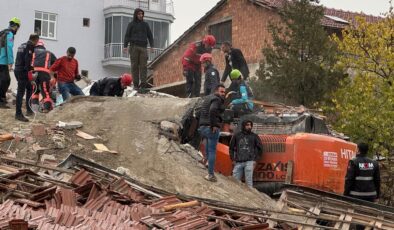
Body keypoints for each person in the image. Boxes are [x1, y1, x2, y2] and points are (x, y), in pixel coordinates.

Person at [198, 84, 226, 182]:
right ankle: (210, 175)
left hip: (202, 127)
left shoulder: (207, 98)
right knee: (212, 150)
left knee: (207, 146)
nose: (223, 94)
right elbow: (213, 110)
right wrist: (214, 124)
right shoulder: (217, 99)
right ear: (216, 91)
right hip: (211, 127)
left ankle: (206, 161)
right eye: (221, 91)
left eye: (224, 92)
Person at [123, 8, 154, 92]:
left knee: (143, 66)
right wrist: (125, 46)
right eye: (139, 14)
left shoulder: (145, 25)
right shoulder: (131, 24)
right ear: (136, 15)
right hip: (133, 47)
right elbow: (127, 35)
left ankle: (143, 85)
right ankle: (136, 85)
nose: (141, 15)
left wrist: (152, 46)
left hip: (143, 48)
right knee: (134, 66)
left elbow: (150, 36)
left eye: (142, 14)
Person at [229, 120, 263, 187]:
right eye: (247, 125)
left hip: (249, 162)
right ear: (243, 126)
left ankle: (250, 197)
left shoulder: (254, 136)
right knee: (234, 182)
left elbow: (260, 149)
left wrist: (255, 160)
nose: (249, 127)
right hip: (238, 162)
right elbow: (231, 148)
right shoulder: (237, 136)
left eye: (250, 125)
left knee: (249, 183)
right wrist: (232, 159)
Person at [14, 33, 39, 121]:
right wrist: (31, 75)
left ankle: (29, 110)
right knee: (20, 92)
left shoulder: (22, 45)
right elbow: (27, 62)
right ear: (36, 40)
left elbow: (21, 59)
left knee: (29, 88)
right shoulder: (30, 46)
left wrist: (31, 68)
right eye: (37, 41)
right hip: (22, 71)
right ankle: (18, 114)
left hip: (17, 69)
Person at [30, 40, 57, 113]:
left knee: (34, 91)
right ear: (43, 46)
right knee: (45, 91)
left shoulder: (32, 51)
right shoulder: (49, 53)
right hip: (44, 74)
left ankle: (34, 109)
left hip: (33, 73)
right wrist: (54, 77)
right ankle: (46, 109)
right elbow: (56, 64)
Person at [0, 17, 21, 108]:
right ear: (16, 26)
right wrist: (11, 61)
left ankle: (2, 99)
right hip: (3, 61)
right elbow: (9, 48)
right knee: (6, 81)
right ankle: (1, 101)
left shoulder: (2, 33)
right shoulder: (9, 34)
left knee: (2, 80)